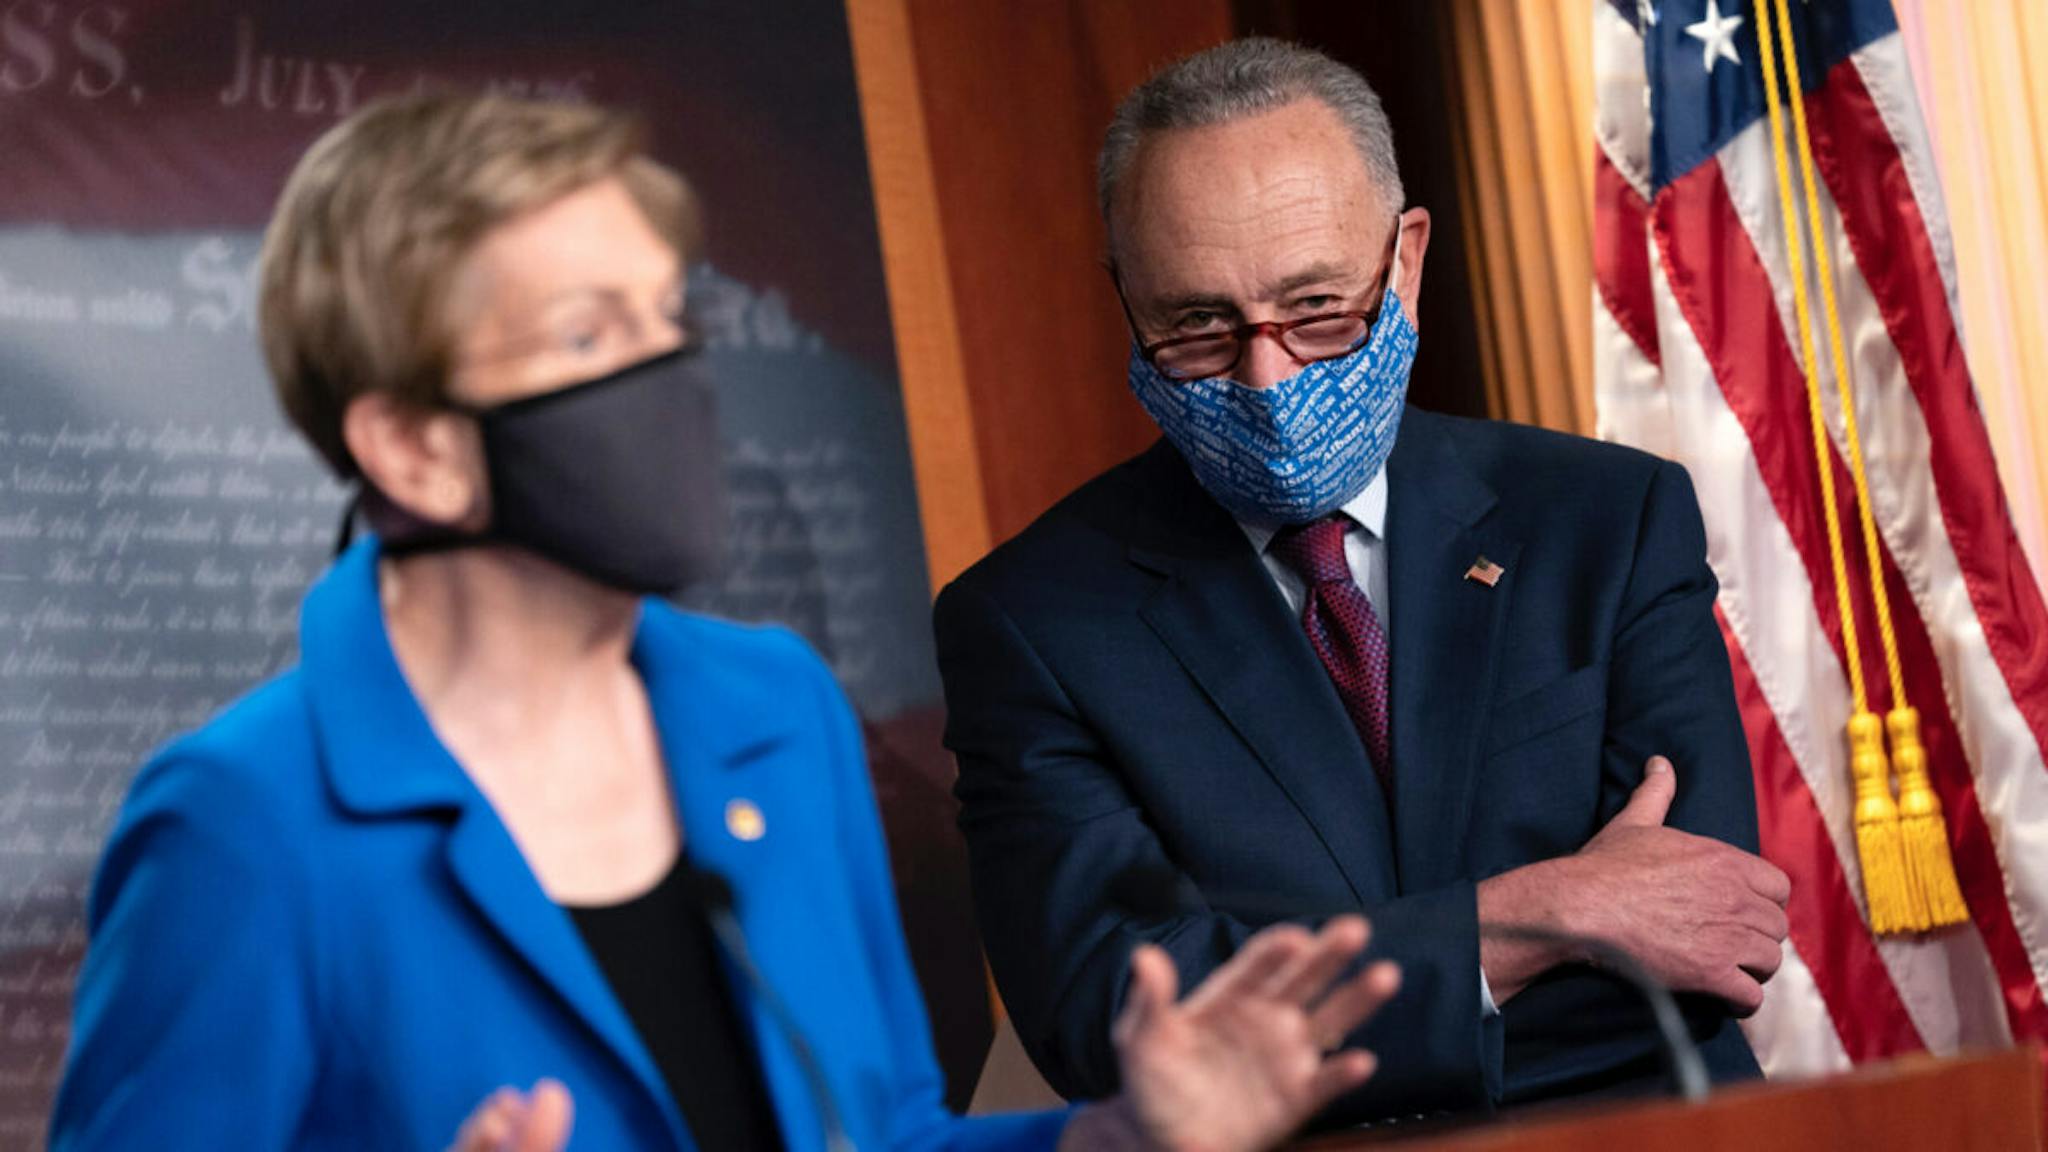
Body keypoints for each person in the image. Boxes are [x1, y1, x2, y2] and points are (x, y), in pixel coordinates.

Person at [49, 92, 1403, 1152]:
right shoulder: (244, 821)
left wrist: (1121, 1138)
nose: (672, 382)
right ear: (412, 448)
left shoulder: (772, 710)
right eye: (590, 338)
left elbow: (881, 1135)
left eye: (668, 320)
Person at [933, 37, 1792, 1125]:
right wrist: (1543, 912)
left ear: (1406, 262)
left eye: (1315, 309)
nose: (1265, 376)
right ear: (1126, 300)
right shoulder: (1030, 623)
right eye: (1196, 325)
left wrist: (1316, 1019)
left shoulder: (1608, 521)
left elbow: (1708, 944)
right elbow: (1116, 1029)